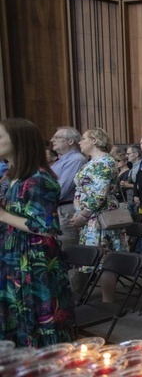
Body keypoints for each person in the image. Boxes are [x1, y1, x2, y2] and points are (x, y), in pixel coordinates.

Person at [0, 118, 76, 347]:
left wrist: (3, 215)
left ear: (19, 140)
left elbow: (47, 228)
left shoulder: (38, 179)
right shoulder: (12, 177)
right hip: (13, 254)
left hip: (34, 261)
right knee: (16, 319)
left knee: (39, 323)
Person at [72, 128, 125, 303]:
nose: (80, 142)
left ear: (95, 140)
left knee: (105, 259)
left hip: (99, 217)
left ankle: (107, 303)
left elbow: (98, 194)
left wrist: (83, 215)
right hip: (91, 217)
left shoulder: (103, 162)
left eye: (83, 138)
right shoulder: (94, 161)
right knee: (99, 258)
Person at [50, 127, 87, 290]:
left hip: (66, 211)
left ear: (70, 141)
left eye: (58, 137)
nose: (52, 140)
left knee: (69, 252)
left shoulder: (76, 159)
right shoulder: (61, 160)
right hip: (58, 210)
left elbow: (60, 189)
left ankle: (74, 295)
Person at [120, 144, 142, 215]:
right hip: (130, 200)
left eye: (128, 154)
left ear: (136, 154)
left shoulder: (141, 166)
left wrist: (128, 185)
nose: (126, 156)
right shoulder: (133, 167)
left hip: (138, 201)